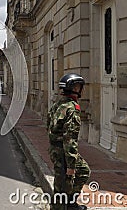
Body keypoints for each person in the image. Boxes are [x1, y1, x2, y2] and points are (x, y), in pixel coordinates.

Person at [47, 73, 90, 210]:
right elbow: (70, 138)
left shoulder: (58, 104)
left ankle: (69, 203)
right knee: (73, 176)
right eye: (80, 86)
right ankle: (66, 204)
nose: (81, 89)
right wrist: (71, 165)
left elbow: (48, 124)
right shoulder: (72, 108)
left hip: (55, 148)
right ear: (75, 88)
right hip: (63, 151)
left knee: (62, 181)